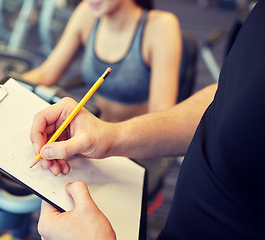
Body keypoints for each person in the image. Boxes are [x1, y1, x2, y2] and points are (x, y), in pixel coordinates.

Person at [30, 0, 265, 239]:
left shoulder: (160, 26)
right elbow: (226, 96)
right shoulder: (86, 14)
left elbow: (162, 111)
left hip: (141, 155)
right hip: (102, 136)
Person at [0, 0, 182, 122]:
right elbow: (46, 74)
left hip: (133, 143)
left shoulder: (160, 27)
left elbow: (162, 116)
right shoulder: (87, 13)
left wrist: (110, 137)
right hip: (93, 126)